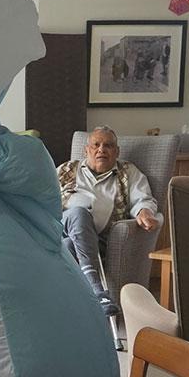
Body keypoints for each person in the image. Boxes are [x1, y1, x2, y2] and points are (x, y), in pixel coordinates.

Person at [57, 126, 159, 317]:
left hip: (101, 239)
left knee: (70, 245)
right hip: (63, 227)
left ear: (117, 151)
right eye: (96, 145)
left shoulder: (128, 172)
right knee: (78, 213)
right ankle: (97, 289)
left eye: (108, 146)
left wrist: (144, 212)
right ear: (86, 150)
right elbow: (44, 197)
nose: (101, 150)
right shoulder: (67, 169)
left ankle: (74, 316)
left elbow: (143, 199)